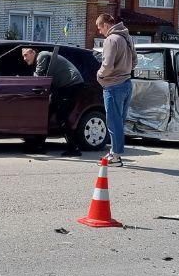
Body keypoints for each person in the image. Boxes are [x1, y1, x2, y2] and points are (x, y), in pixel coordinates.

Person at [22, 46, 86, 156]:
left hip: (71, 85)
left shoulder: (42, 55)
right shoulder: (41, 58)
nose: (24, 58)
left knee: (61, 117)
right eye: (23, 56)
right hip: (61, 88)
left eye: (26, 55)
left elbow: (39, 78)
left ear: (33, 52)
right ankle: (39, 146)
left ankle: (74, 148)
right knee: (46, 115)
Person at [95, 12, 135, 166]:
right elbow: (135, 60)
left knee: (113, 122)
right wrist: (124, 71)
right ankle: (113, 152)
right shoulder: (126, 37)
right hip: (126, 83)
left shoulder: (111, 40)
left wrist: (99, 76)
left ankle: (116, 156)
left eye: (100, 28)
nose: (100, 32)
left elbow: (107, 66)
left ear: (105, 25)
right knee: (119, 121)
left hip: (113, 85)